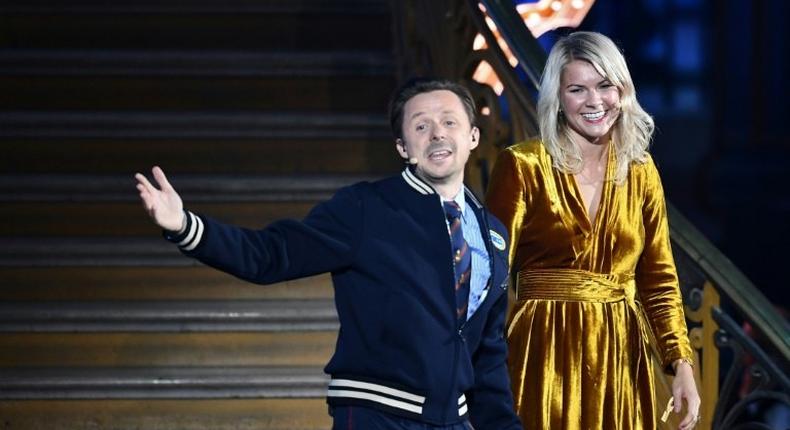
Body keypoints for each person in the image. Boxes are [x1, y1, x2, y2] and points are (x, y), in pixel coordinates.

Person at [135, 78, 523, 430]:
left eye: (449, 122)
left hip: (451, 421)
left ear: (473, 136)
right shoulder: (366, 208)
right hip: (376, 414)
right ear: (404, 147)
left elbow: (487, 356)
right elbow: (271, 255)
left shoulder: (492, 233)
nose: (437, 134)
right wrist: (184, 226)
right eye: (421, 126)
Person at [485, 32, 700, 429]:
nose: (595, 101)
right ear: (558, 98)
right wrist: (483, 367)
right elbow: (489, 275)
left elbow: (659, 280)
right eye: (577, 89)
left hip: (621, 354)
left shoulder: (641, 170)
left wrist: (680, 362)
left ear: (623, 90)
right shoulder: (523, 165)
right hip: (541, 350)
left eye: (605, 86)